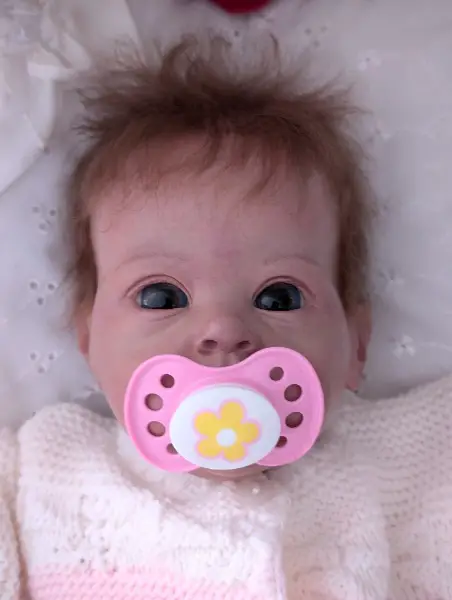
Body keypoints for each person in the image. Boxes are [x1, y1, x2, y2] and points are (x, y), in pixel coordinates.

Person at [0, 40, 451, 600]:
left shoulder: (396, 464)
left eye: (279, 297)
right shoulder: (44, 467)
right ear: (88, 339)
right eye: (161, 296)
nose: (222, 330)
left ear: (357, 346)